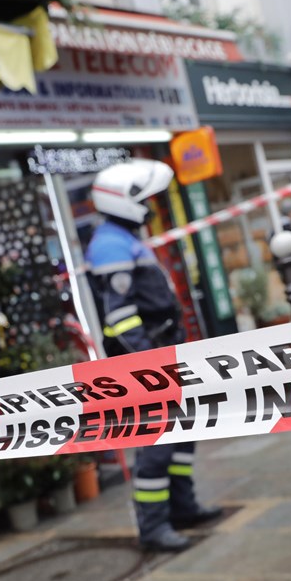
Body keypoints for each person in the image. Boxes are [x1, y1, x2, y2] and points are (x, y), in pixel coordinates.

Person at [85, 159, 222, 552]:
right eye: (144, 198)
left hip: (162, 353)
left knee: (182, 436)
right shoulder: (111, 243)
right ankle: (153, 527)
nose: (150, 205)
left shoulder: (123, 238)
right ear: (123, 200)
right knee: (157, 443)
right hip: (146, 361)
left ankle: (183, 508)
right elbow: (120, 315)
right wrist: (147, 360)